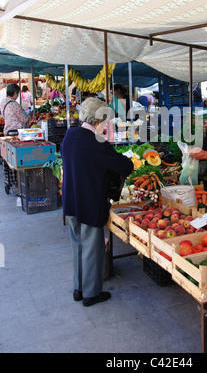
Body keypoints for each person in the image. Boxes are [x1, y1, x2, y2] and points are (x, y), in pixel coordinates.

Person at [60, 98, 133, 307]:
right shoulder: (95, 143)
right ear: (99, 118)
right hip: (89, 202)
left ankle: (78, 288)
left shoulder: (70, 136)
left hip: (72, 202)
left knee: (77, 245)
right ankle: (91, 294)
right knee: (93, 248)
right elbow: (124, 166)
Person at [0, 83, 31, 194]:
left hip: (7, 132)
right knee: (17, 159)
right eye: (17, 93)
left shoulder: (3, 102)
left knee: (9, 159)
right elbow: (24, 119)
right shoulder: (14, 104)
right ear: (14, 93)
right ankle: (19, 181)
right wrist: (29, 116)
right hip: (16, 134)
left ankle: (11, 181)